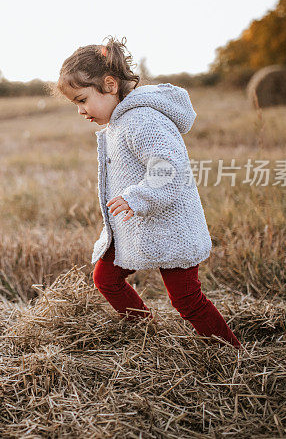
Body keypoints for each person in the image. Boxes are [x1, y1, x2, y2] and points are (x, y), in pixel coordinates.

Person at [52, 37, 241, 348]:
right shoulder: (121, 121)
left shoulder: (143, 120)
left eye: (82, 100)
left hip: (172, 228)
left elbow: (170, 169)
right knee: (106, 278)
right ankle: (146, 332)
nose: (81, 111)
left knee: (186, 299)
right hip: (137, 227)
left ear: (110, 85)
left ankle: (232, 353)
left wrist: (136, 198)